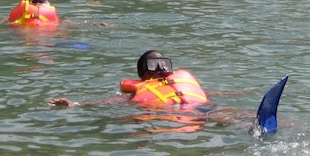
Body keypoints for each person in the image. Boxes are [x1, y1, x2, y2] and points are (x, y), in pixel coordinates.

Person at [49, 50, 208, 108]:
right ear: (143, 74)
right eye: (153, 64)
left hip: (198, 109)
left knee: (228, 116)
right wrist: (76, 104)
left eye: (164, 64)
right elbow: (110, 101)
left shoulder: (182, 85)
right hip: (179, 115)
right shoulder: (135, 93)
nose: (161, 68)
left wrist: (234, 93)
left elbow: (215, 94)